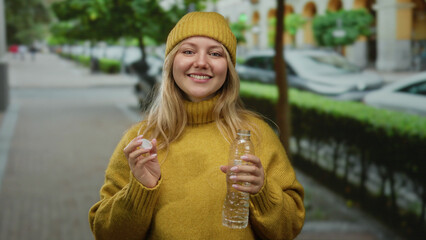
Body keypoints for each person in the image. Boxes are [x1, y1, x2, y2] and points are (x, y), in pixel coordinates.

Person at [89, 12, 305, 240]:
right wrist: (138, 190)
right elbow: (107, 233)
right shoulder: (141, 141)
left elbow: (289, 228)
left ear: (229, 68)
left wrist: (262, 192)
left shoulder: (256, 135)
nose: (201, 62)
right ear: (171, 62)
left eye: (215, 53)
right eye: (188, 51)